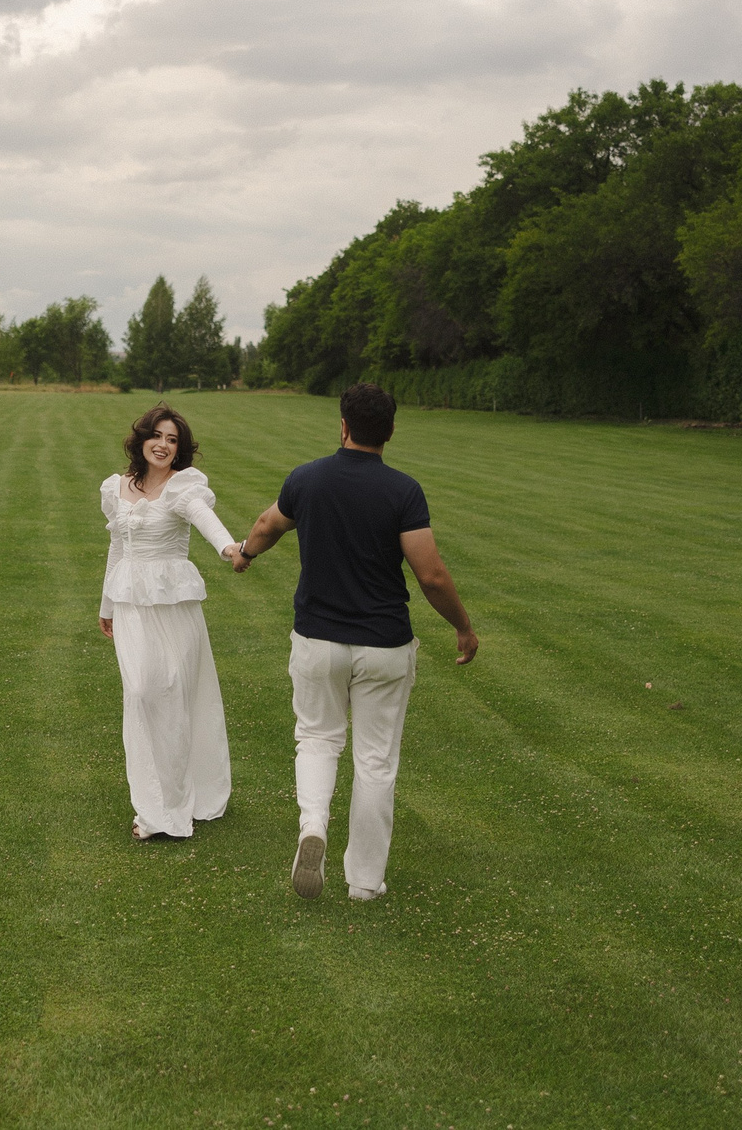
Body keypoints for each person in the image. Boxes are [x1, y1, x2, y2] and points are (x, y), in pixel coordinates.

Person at [232, 382, 477, 901]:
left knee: (317, 739)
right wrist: (463, 627)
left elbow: (267, 524)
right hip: (385, 646)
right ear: (390, 431)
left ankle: (313, 825)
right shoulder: (403, 491)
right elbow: (431, 575)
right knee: (375, 761)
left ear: (343, 426)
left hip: (317, 640)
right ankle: (364, 883)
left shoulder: (307, 478)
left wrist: (247, 554)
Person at [99, 404, 248, 841]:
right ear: (141, 439)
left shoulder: (184, 487)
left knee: (177, 694)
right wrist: (106, 605)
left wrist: (229, 548)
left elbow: (205, 520)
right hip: (130, 603)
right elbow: (117, 548)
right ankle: (155, 808)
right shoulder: (117, 487)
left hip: (174, 604)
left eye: (172, 440)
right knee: (141, 692)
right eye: (157, 436)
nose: (163, 445)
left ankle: (180, 799)